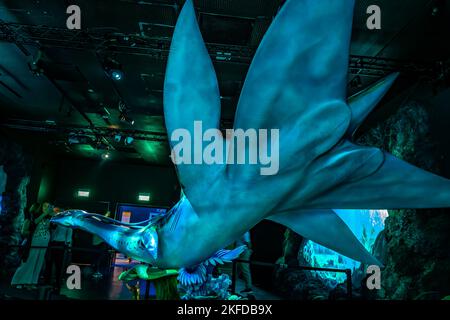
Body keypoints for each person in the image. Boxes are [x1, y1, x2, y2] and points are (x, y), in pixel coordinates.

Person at [11, 202, 54, 289]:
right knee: (30, 261)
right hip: (35, 242)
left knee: (38, 262)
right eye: (45, 206)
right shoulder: (34, 216)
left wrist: (51, 215)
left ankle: (31, 282)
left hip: (44, 243)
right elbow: (34, 223)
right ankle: (18, 281)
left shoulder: (48, 218)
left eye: (48, 206)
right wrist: (45, 213)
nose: (47, 208)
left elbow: (52, 227)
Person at [45, 205, 72, 292]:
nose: (58, 212)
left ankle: (57, 283)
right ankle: (47, 281)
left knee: (59, 265)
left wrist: (67, 244)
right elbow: (50, 230)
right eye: (57, 211)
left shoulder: (67, 222)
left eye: (60, 211)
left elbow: (69, 234)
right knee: (49, 263)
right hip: (51, 243)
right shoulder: (53, 220)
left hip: (61, 244)